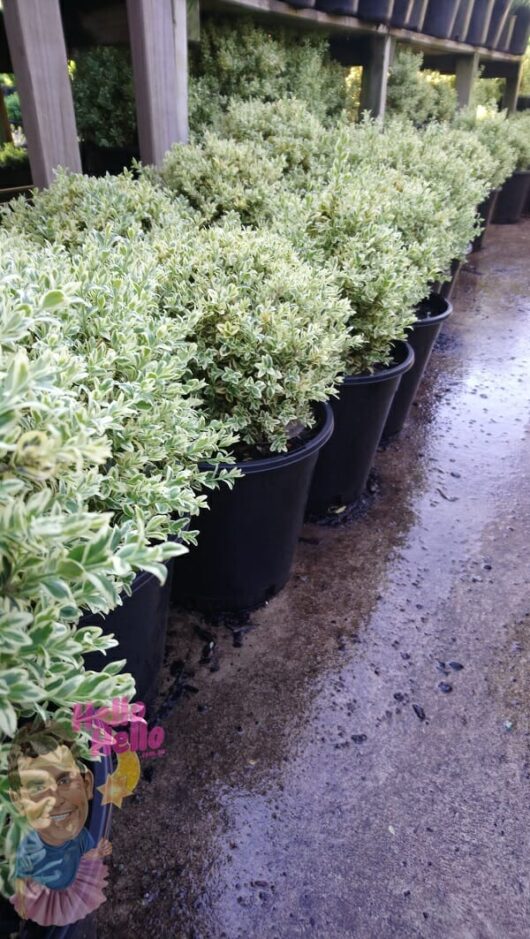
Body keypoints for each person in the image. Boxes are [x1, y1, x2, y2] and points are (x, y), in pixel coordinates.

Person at [7, 721, 111, 927]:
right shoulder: (28, 846)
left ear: (87, 784)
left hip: (72, 885)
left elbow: (86, 853)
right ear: (19, 802)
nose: (55, 799)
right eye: (37, 789)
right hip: (46, 895)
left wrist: (96, 853)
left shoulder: (81, 835)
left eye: (64, 781)